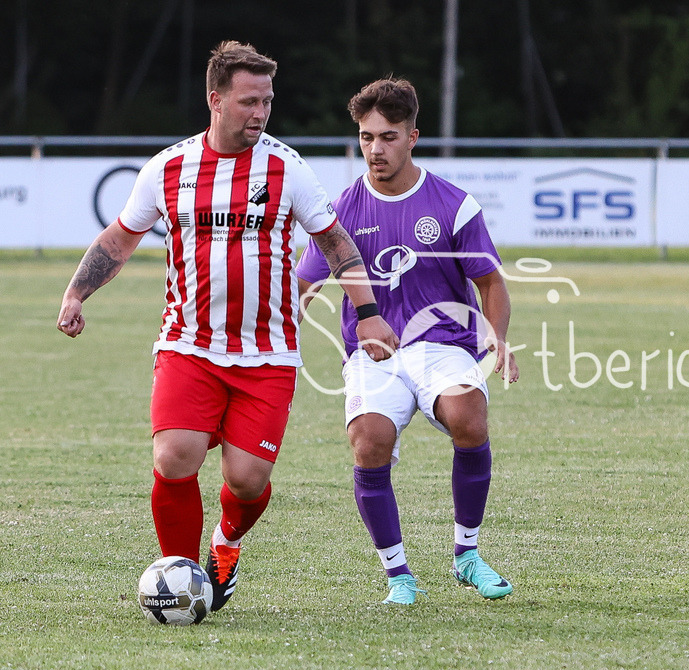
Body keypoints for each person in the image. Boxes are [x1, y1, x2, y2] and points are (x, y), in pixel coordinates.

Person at [56, 41, 398, 614]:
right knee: (174, 457)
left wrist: (369, 315)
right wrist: (76, 292)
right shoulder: (168, 169)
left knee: (245, 480)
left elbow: (336, 242)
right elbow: (118, 239)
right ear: (215, 100)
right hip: (189, 345)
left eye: (266, 101)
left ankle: (225, 544)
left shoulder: (286, 167)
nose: (260, 113)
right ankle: (182, 577)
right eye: (248, 102)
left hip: (267, 354)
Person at [296, 77, 518, 605]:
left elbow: (490, 282)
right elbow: (304, 285)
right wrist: (280, 337)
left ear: (413, 137)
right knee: (369, 441)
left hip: (442, 345)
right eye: (367, 137)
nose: (376, 148)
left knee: (469, 418)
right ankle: (399, 576)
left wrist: (499, 337)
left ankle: (467, 555)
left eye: (388, 136)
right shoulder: (340, 212)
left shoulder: (453, 204)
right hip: (372, 353)